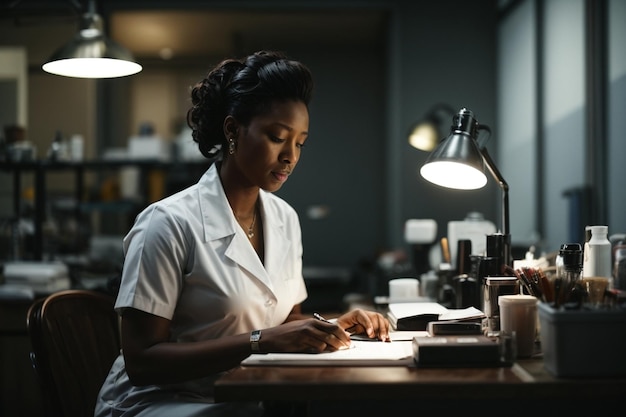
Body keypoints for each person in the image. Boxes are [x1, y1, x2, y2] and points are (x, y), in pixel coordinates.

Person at [94, 50, 390, 417]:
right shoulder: (167, 223)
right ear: (233, 130)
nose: (290, 157)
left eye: (300, 143)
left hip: (243, 393)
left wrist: (329, 326)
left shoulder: (284, 218)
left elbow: (283, 321)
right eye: (277, 137)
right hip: (163, 402)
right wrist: (259, 341)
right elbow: (142, 362)